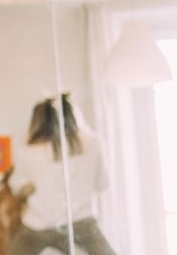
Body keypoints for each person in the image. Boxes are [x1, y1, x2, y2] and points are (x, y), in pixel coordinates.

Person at [7, 95, 117, 255]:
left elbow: (17, 186)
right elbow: (102, 184)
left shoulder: (27, 151)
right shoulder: (92, 144)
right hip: (81, 222)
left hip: (38, 225)